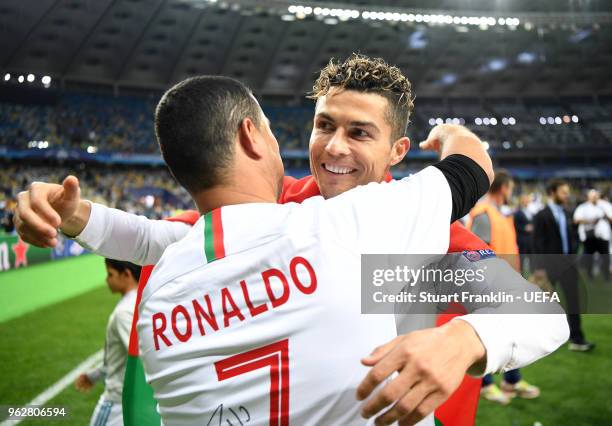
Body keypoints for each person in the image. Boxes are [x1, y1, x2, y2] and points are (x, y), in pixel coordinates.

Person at [14, 55, 568, 426]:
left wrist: (466, 339)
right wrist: (77, 214)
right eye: (325, 125)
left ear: (399, 152)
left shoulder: (423, 235)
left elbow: (544, 312)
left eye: (359, 133)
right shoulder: (287, 205)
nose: (334, 147)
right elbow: (165, 238)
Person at [466, 170, 540, 404]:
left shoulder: (498, 213)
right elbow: (475, 254)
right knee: (487, 335)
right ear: (505, 188)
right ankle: (486, 384)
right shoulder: (485, 213)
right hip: (489, 286)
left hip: (506, 284)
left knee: (512, 334)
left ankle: (512, 379)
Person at [75, 258, 140, 426]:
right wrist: (95, 375)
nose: (107, 280)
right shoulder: (142, 301)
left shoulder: (124, 312)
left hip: (118, 401)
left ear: (126, 274)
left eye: (110, 274)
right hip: (132, 399)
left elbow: (139, 356)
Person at [533, 179, 595, 352]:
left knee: (573, 302)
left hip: (569, 264)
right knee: (546, 304)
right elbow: (536, 243)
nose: (567, 195)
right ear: (552, 193)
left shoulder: (568, 213)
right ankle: (540, 340)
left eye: (567, 192)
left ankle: (577, 338)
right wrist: (538, 268)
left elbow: (573, 236)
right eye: (563, 192)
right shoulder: (541, 215)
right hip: (549, 266)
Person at [573, 189, 611, 281]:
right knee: (589, 257)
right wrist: (590, 221)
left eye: (596, 196)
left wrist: (605, 215)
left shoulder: (605, 205)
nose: (594, 198)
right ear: (588, 197)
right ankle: (590, 276)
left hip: (603, 236)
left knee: (605, 257)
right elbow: (576, 220)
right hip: (590, 236)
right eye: (592, 196)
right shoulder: (583, 207)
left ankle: (606, 276)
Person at [514, 193, 534, 273]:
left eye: (527, 200)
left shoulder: (530, 212)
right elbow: (515, 225)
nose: (526, 202)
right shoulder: (517, 212)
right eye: (524, 200)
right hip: (522, 240)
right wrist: (524, 228)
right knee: (522, 260)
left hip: (530, 240)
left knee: (532, 259)